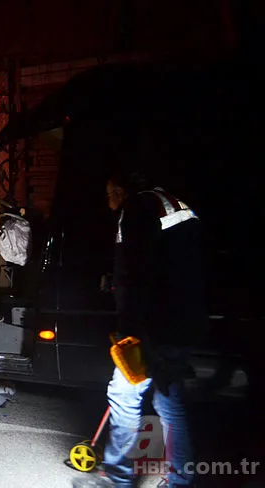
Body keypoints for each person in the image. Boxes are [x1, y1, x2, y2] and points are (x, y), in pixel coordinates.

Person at [77, 172, 205, 488]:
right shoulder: (172, 202)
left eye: (108, 195)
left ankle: (118, 478)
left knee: (123, 396)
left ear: (120, 190)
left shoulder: (137, 209)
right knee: (169, 401)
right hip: (184, 319)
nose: (108, 203)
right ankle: (180, 480)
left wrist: (131, 332)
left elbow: (139, 277)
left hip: (154, 326)